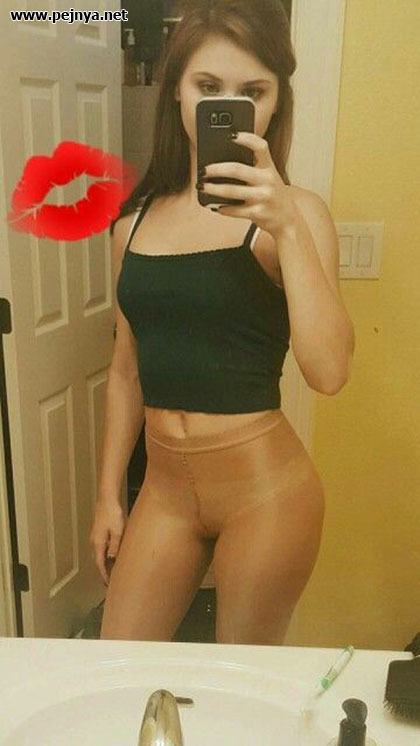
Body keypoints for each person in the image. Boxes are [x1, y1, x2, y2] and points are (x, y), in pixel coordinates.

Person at [90, 0, 355, 645]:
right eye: (208, 86)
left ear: (276, 101)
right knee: (118, 657)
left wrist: (286, 226)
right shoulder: (133, 224)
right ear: (177, 92)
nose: (227, 106)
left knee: (241, 676)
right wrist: (107, 496)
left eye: (252, 92)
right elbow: (126, 371)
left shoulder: (298, 214)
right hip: (164, 490)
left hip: (266, 491)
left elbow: (329, 373)